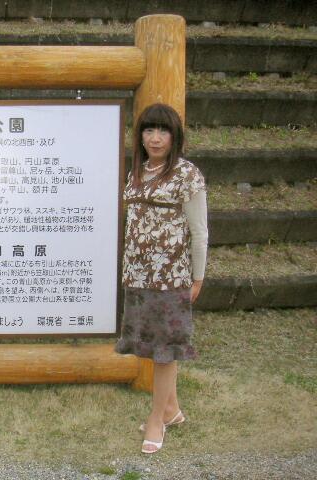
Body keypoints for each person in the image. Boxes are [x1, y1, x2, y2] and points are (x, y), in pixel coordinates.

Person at [115, 103, 208, 454]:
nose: (155, 138)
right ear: (140, 136)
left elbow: (199, 232)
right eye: (149, 130)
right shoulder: (136, 173)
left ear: (174, 136)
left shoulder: (187, 174)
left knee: (166, 349)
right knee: (153, 344)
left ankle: (156, 419)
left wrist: (197, 277)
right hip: (138, 276)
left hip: (171, 277)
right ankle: (172, 410)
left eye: (163, 131)